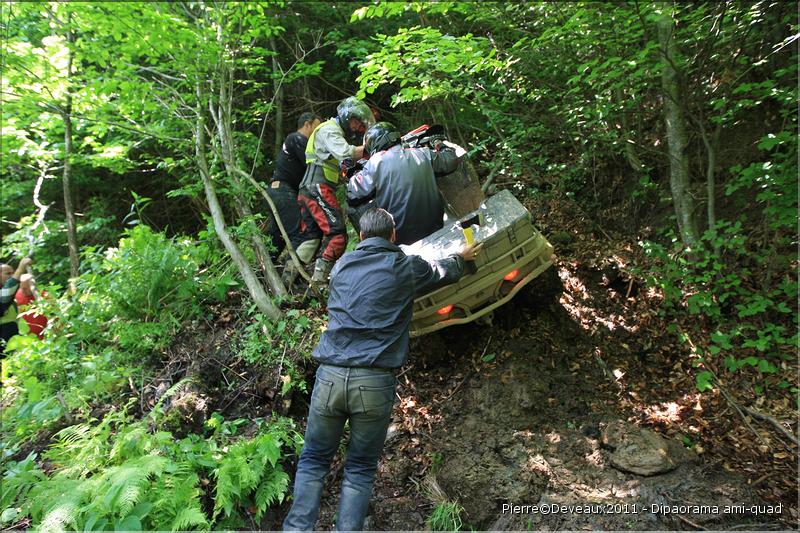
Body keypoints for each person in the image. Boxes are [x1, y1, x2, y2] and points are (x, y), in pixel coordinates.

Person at [282, 208, 482, 531]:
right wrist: (463, 257)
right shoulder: (402, 266)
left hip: (330, 376)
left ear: (360, 237)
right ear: (392, 237)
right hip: (373, 383)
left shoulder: (341, 266)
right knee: (359, 470)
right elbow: (440, 271)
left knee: (313, 461)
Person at [296, 97, 375, 286]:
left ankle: (290, 282)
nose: (358, 127)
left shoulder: (333, 132)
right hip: (317, 188)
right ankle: (319, 282)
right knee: (338, 235)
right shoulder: (329, 129)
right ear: (347, 117)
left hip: (310, 189)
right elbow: (347, 153)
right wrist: (373, 147)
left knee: (312, 239)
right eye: (356, 122)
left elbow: (341, 163)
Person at [346, 122, 463, 245]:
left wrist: (353, 173)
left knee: (357, 207)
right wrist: (438, 142)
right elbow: (450, 160)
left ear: (376, 143)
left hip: (400, 239)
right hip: (436, 227)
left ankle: (372, 248)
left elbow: (353, 195)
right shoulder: (421, 153)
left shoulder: (376, 162)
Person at [266, 112, 321, 263]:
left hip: (279, 191)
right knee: (302, 232)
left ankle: (265, 270)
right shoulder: (296, 138)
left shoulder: (297, 142)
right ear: (307, 125)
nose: (318, 134)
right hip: (282, 190)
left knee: (278, 237)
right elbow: (312, 164)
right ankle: (290, 272)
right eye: (316, 129)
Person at [0, 257, 32, 356]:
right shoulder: (5, 294)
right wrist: (20, 268)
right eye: (7, 274)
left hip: (12, 346)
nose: (12, 276)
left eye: (12, 273)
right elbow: (5, 295)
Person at [15, 273, 48, 339]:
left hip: (45, 335)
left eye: (25, 289)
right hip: (28, 337)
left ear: (34, 286)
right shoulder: (19, 294)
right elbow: (20, 315)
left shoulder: (45, 296)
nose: (23, 291)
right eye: (21, 288)